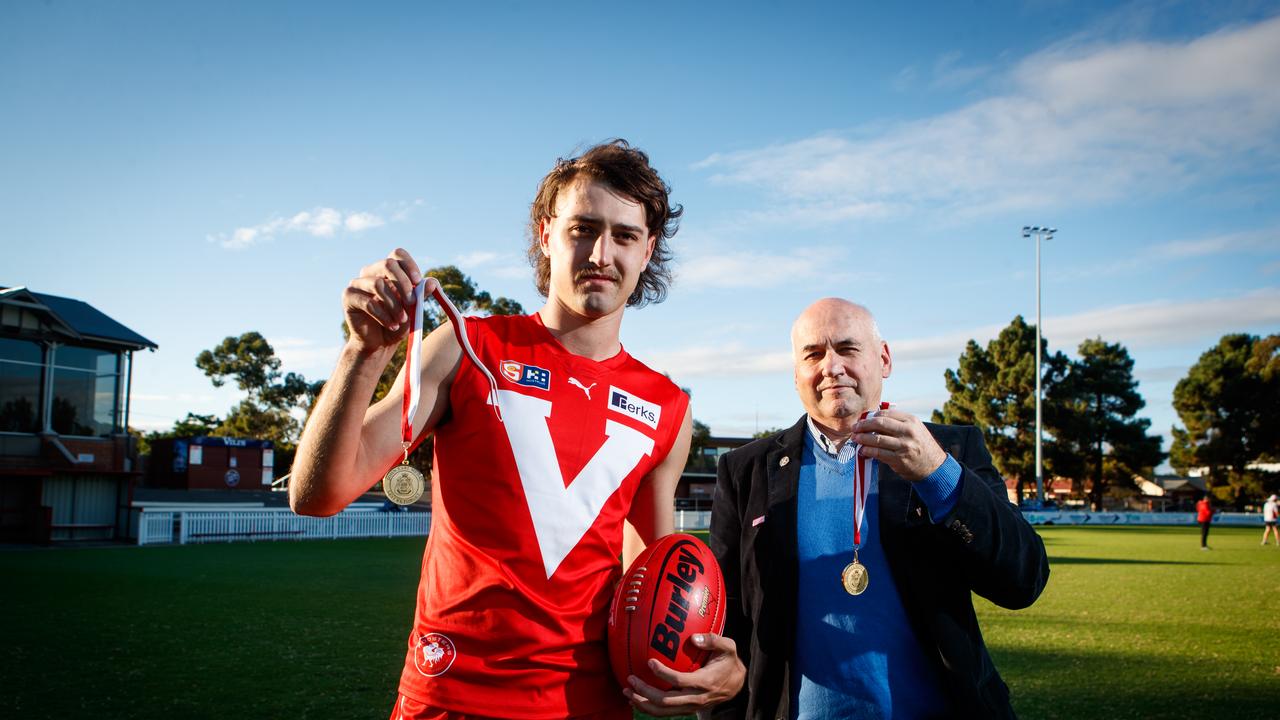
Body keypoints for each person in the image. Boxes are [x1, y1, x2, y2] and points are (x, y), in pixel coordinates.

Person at [290, 141, 738, 720]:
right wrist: (363, 351)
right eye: (583, 228)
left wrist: (711, 662)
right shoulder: (466, 347)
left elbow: (654, 578)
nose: (602, 253)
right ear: (548, 235)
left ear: (648, 250)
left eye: (625, 235)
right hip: (450, 696)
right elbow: (316, 494)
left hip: (587, 705)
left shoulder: (668, 408)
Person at [705, 298, 1050, 719]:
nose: (831, 367)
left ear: (883, 359)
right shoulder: (745, 471)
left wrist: (936, 472)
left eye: (848, 349)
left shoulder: (950, 448)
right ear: (796, 374)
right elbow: (722, 622)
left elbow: (1023, 580)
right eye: (813, 354)